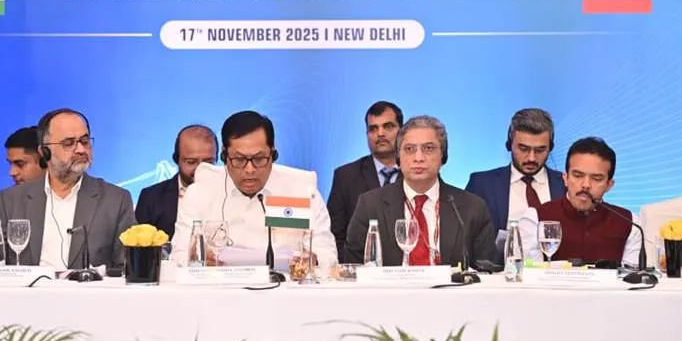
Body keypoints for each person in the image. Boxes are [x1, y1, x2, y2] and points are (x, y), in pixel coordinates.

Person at [171, 110, 337, 268]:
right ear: (224, 156)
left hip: (285, 291)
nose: (249, 170)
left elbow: (327, 255)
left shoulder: (301, 191)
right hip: (220, 292)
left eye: (259, 159)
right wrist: (194, 258)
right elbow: (178, 256)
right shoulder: (200, 193)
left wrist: (313, 260)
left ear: (273, 154)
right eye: (239, 159)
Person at [0, 108, 135, 270]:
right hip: (28, 294)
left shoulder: (116, 199)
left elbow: (126, 269)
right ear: (45, 151)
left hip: (88, 293)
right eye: (68, 143)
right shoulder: (9, 201)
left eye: (84, 141)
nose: (81, 150)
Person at [345, 115, 496, 268]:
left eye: (428, 149)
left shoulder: (472, 207)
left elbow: (487, 270)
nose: (418, 158)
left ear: (443, 155)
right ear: (398, 156)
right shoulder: (370, 205)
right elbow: (353, 267)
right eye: (409, 149)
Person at [519, 137, 638, 266]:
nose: (585, 185)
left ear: (609, 185)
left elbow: (630, 279)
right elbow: (528, 276)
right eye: (578, 175)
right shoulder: (535, 218)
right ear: (565, 178)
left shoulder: (630, 223)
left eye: (596, 178)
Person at [465, 108, 566, 234]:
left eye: (540, 150)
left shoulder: (566, 184)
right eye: (523, 149)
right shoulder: (481, 184)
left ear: (550, 148)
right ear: (509, 145)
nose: (531, 158)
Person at [327, 101, 404, 262]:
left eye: (388, 126)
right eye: (373, 129)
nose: (380, 133)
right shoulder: (345, 176)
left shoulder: (417, 174)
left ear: (402, 131)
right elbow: (334, 236)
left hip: (410, 273)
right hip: (361, 275)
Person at [135, 124, 218, 237]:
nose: (200, 169)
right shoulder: (151, 198)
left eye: (208, 162)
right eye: (191, 162)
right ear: (176, 159)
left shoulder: (231, 194)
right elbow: (141, 249)